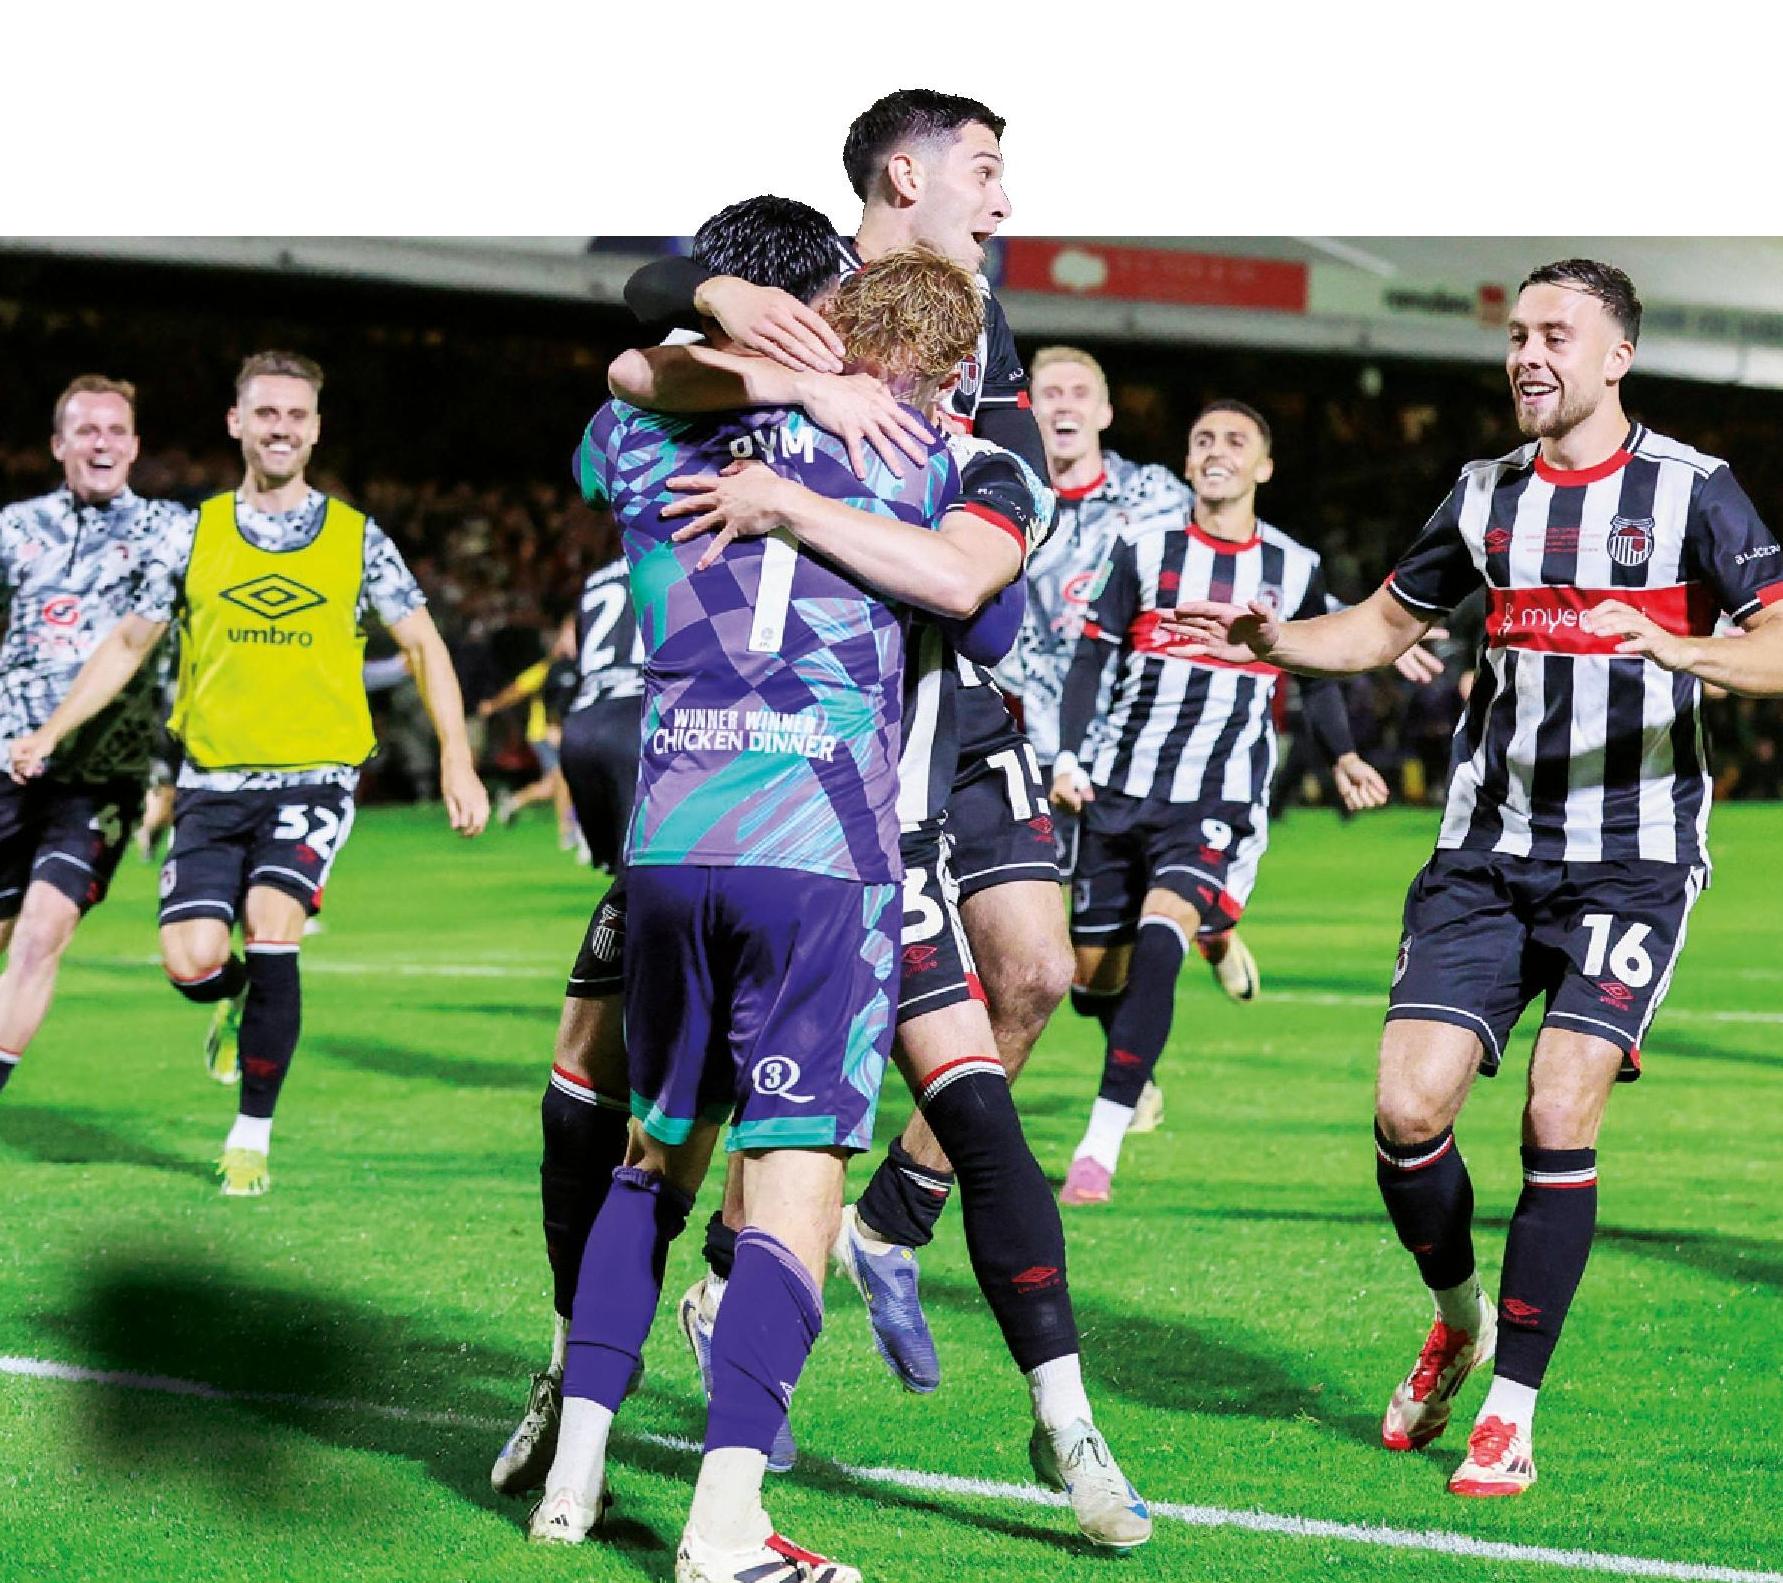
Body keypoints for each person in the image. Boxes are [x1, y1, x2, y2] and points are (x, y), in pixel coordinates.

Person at [1169, 259, 1783, 1497]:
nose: (1526, 355)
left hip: (1631, 859)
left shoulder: (1693, 492)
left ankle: (1512, 1409)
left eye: (1555, 334)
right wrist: (1279, 640)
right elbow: (1381, 626)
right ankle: (1459, 1319)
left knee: (1559, 1109)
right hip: (1485, 854)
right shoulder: (1483, 492)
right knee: (1407, 1113)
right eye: (1516, 334)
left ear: (1617, 356)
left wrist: (1675, 644)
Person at [620, 86, 1077, 1398]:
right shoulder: (796, 280)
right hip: (788, 739)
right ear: (902, 178)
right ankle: (657, 1333)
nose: (1003, 200)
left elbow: (997, 505)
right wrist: (731, 316)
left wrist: (983, 509)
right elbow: (642, 335)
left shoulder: (982, 322)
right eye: (982, 170)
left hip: (952, 707)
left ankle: (890, 1221)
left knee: (1036, 969)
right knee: (718, 1090)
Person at [525, 242, 972, 1583]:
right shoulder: (921, 454)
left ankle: (572, 1474)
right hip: (816, 850)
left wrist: (718, 343)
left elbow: (630, 376)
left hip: (669, 839)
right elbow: (978, 606)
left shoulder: (640, 437)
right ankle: (723, 1526)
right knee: (792, 1181)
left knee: (651, 1153)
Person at [658, 366, 1150, 1547]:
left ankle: (1068, 1423)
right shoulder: (779, 436)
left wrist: (805, 508)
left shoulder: (976, 465)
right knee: (694, 1126)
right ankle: (600, 1385)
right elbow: (646, 344)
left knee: (983, 1112)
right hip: (774, 832)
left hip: (902, 846)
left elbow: (985, 610)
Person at [10, 351, 488, 1195]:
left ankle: (249, 1137)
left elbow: (422, 644)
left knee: (273, 926)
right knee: (191, 960)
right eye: (265, 413)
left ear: (316, 429)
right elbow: (128, 643)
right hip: (211, 781)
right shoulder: (192, 533)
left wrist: (457, 755)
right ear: (236, 422)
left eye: (296, 415)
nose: (280, 428)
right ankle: (233, 997)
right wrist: (52, 728)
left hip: (313, 776)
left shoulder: (355, 536)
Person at [1050, 399, 1390, 1206]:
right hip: (1118, 783)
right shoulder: (1143, 548)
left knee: (1157, 942)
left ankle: (1097, 1149)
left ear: (1262, 467)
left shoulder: (1292, 566)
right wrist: (1067, 753)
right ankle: (1218, 931)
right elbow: (1092, 657)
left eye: (1235, 441)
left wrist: (1342, 754)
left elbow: (1313, 671)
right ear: (1187, 461)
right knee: (1089, 981)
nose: (1216, 451)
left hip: (1216, 791)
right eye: (1202, 438)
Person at [1011, 345, 1261, 1032]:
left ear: (1104, 411)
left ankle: (1206, 925)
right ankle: (1202, 930)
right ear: (1028, 409)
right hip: (1034, 733)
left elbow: (1240, 554)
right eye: (1049, 393)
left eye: (1078, 393)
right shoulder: (1002, 490)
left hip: (1137, 736)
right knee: (1081, 961)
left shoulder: (1152, 495)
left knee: (1132, 906)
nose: (1063, 406)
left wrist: (1341, 619)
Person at [0, 376, 190, 1095]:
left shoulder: (171, 530)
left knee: (40, 935)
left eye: (115, 430)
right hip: (9, 764)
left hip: (102, 775)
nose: (101, 443)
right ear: (59, 444)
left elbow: (144, 642)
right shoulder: (15, 528)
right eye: (86, 430)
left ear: (135, 446)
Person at [557, 556, 645, 872]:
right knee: (640, 869)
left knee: (617, 869)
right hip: (634, 721)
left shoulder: (596, 579)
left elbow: (574, 650)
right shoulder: (673, 564)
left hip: (580, 726)